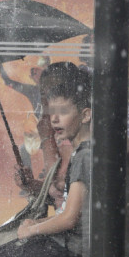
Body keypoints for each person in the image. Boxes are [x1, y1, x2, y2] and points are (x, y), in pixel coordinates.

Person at [0, 69, 92, 257]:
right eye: (51, 112)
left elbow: (70, 217)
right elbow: (68, 207)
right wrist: (37, 219)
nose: (53, 119)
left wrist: (33, 229)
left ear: (85, 115)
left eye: (62, 112)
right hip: (63, 241)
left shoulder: (84, 156)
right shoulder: (82, 153)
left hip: (67, 248)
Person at [13, 62, 81, 210]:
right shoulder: (60, 133)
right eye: (44, 96)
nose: (47, 105)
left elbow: (60, 189)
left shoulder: (78, 140)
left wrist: (46, 137)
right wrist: (31, 184)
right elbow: (57, 193)